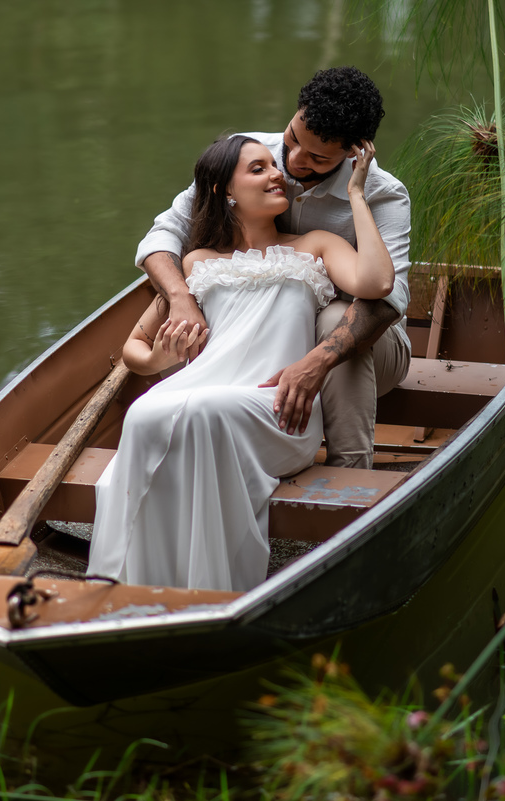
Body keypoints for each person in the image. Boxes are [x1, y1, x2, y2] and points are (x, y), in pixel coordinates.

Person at [86, 135, 394, 592]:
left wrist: (355, 193)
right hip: (203, 391)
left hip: (277, 408)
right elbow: (134, 347)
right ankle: (127, 582)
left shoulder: (316, 244)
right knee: (144, 412)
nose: (278, 175)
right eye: (259, 169)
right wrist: (159, 358)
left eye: (274, 166)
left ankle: (209, 590)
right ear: (224, 192)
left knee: (201, 413)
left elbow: (377, 281)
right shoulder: (196, 262)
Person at [135, 66, 411, 469]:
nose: (294, 161)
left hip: (364, 343)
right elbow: (164, 235)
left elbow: (388, 298)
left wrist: (318, 360)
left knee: (334, 316)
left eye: (317, 157)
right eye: (293, 138)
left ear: (355, 152)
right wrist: (180, 297)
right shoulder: (245, 157)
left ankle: (350, 475)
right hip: (268, 336)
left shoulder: (384, 195)